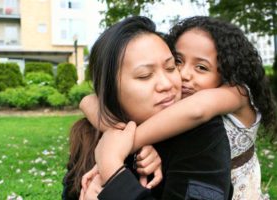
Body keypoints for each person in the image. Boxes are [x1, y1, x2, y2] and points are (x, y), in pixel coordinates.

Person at [81, 16, 277, 200]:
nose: (183, 74)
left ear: (226, 72)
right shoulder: (169, 107)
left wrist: (120, 149)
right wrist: (116, 134)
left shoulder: (237, 94)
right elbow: (89, 100)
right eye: (177, 62)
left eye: (201, 67)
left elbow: (197, 110)